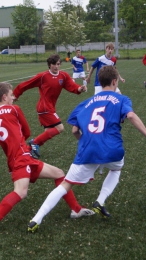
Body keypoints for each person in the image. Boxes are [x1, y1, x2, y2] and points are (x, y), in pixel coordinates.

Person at [27, 65, 146, 233]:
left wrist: (85, 142)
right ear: (114, 81)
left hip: (87, 150)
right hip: (112, 150)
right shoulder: (121, 99)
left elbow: (75, 130)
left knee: (65, 185)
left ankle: (36, 219)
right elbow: (131, 115)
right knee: (116, 169)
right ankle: (100, 200)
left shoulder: (84, 103)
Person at [0, 82, 94, 238]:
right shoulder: (13, 109)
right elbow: (26, 131)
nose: (13, 98)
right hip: (21, 158)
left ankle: (76, 210)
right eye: (12, 95)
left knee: (59, 174)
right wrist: (21, 140)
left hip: (21, 158)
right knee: (21, 192)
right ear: (4, 97)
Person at [13, 54, 87, 159]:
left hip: (50, 107)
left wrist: (80, 88)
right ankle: (34, 143)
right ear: (49, 65)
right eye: (53, 64)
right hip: (44, 108)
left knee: (48, 132)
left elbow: (72, 86)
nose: (56, 66)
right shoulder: (43, 76)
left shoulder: (63, 76)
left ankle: (27, 150)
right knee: (60, 128)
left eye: (58, 64)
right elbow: (25, 84)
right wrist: (16, 94)